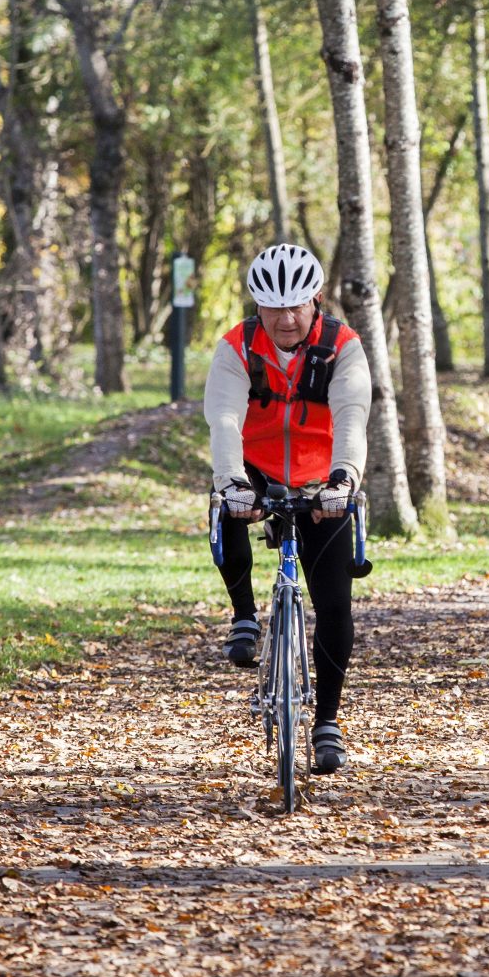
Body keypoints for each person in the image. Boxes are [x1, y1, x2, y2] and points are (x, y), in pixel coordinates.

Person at [203, 242, 369, 775]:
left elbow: (352, 415)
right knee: (225, 505)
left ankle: (326, 722)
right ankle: (245, 617)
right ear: (257, 305)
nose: (287, 317)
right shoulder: (236, 348)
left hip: (324, 478)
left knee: (335, 601)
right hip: (257, 466)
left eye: (297, 305)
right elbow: (224, 420)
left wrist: (344, 477)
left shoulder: (342, 345)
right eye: (274, 307)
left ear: (316, 299)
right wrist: (232, 482)